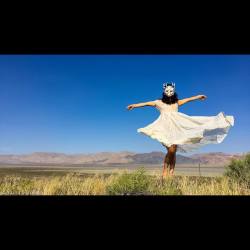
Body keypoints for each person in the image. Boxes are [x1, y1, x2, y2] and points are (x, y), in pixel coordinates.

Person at [126, 82, 234, 177]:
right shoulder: (158, 102)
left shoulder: (176, 102)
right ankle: (165, 171)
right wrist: (134, 105)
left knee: (174, 150)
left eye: (171, 90)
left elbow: (188, 100)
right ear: (164, 91)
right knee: (171, 150)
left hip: (177, 128)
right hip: (164, 128)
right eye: (167, 90)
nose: (169, 92)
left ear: (174, 91)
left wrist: (198, 97)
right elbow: (145, 103)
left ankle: (171, 172)